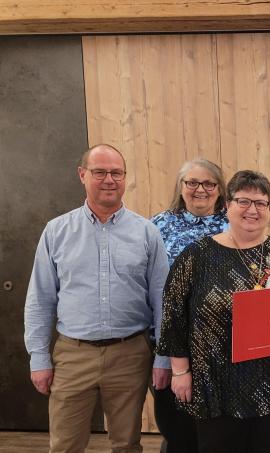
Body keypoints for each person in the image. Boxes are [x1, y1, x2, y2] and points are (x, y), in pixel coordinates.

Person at [156, 169, 270, 453]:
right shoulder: (197, 256)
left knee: (269, 447)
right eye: (243, 201)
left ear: (269, 209)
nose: (252, 210)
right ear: (227, 205)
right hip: (215, 381)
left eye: (260, 203)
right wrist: (179, 371)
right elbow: (174, 316)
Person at [24, 143, 171, 453]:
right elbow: (40, 300)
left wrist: (163, 357)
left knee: (126, 445)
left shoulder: (147, 233)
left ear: (125, 177)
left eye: (116, 173)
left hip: (130, 354)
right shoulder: (56, 231)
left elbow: (162, 300)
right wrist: (38, 357)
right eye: (100, 172)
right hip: (72, 355)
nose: (109, 180)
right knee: (65, 446)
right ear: (82, 174)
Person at [150, 158, 229, 453]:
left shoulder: (234, 225)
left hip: (223, 348)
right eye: (192, 182)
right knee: (176, 428)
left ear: (220, 189)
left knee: (218, 431)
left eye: (209, 183)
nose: (200, 189)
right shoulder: (156, 226)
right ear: (180, 187)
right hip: (170, 344)